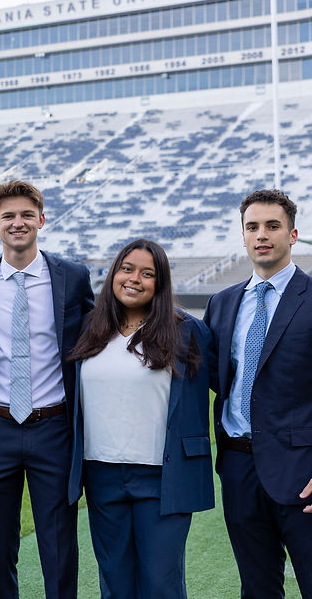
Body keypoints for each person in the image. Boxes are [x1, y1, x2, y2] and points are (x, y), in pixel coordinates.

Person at [204, 189, 312, 598]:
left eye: (272, 226)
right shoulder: (222, 303)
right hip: (239, 469)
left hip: (307, 473)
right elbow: (216, 378)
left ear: (292, 235)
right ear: (243, 235)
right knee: (257, 588)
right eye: (252, 227)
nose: (262, 235)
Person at [0, 180, 93, 599]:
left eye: (26, 215)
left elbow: (99, 332)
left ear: (41, 219)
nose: (17, 223)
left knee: (58, 545)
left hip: (53, 428)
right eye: (8, 216)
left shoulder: (72, 277)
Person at [68, 238, 214, 598]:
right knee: (115, 583)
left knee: (160, 584)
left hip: (163, 477)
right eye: (127, 269)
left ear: (159, 283)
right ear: (114, 274)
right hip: (101, 475)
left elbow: (224, 384)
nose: (134, 279)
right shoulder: (88, 327)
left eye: (147, 274)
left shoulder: (187, 330)